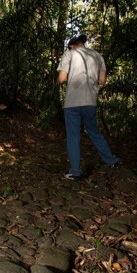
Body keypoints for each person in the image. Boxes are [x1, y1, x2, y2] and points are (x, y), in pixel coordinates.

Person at [57, 34, 119, 180]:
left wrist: (59, 80)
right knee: (94, 132)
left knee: (73, 136)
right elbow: (102, 80)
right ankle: (112, 161)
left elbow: (61, 78)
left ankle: (75, 172)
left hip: (72, 102)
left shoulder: (69, 54)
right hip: (90, 101)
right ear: (82, 43)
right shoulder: (97, 56)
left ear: (72, 45)